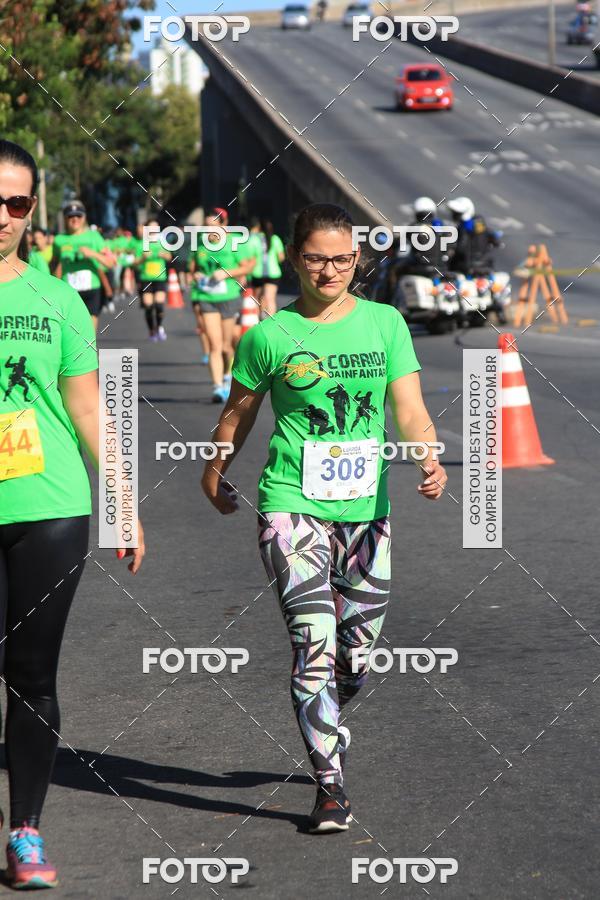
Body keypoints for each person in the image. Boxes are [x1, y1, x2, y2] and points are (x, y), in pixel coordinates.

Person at [201, 202, 447, 833]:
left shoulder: (386, 323)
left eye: (342, 258)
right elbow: (239, 412)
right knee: (313, 644)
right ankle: (329, 786)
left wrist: (428, 457)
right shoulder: (270, 336)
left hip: (368, 513)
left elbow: (410, 408)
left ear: (357, 260)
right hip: (291, 506)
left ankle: (330, 718)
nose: (330, 269)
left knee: (354, 659)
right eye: (317, 258)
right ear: (295, 259)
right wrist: (215, 467)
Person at [0, 139, 145, 889]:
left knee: (30, 677)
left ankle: (25, 833)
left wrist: (122, 495)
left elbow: (87, 404)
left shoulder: (58, 298)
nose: (1, 216)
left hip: (49, 505)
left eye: (15, 203)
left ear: (32, 212)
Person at [189, 207, 255, 403]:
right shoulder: (200, 245)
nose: (209, 230)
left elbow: (248, 266)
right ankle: (217, 387)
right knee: (214, 345)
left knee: (227, 346)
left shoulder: (234, 242)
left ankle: (227, 376)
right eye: (206, 226)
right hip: (206, 297)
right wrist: (196, 275)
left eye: (213, 226)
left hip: (229, 297)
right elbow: (192, 269)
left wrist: (226, 273)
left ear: (223, 225)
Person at [51, 200, 113, 331]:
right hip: (68, 292)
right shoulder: (59, 240)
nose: (75, 219)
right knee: (70, 333)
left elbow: (110, 262)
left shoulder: (94, 237)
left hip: (91, 290)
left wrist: (92, 254)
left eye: (78, 216)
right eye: (70, 216)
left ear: (84, 218)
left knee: (89, 335)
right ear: (65, 218)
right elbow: (54, 265)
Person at [133, 219, 171, 341]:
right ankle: (151, 330)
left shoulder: (162, 242)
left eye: (156, 227)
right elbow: (134, 263)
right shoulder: (140, 244)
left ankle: (159, 327)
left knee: (159, 305)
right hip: (146, 279)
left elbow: (170, 256)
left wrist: (164, 255)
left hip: (160, 278)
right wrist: (143, 258)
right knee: (149, 306)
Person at [249, 218, 285, 319]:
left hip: (257, 273)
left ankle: (259, 320)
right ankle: (271, 321)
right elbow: (281, 257)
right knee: (270, 299)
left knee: (257, 298)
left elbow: (250, 258)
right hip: (273, 273)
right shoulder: (275, 239)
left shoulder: (254, 239)